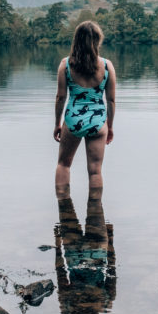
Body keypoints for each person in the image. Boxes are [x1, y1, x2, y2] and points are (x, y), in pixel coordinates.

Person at [54, 21, 115, 193]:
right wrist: (109, 126)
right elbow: (111, 100)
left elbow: (60, 97)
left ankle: (64, 207)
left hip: (73, 120)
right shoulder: (107, 66)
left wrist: (57, 124)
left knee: (63, 165)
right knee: (95, 171)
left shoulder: (66, 65)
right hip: (97, 122)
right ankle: (95, 212)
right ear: (97, 41)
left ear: (76, 40)